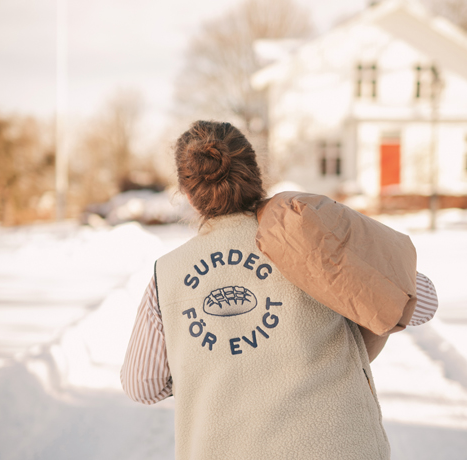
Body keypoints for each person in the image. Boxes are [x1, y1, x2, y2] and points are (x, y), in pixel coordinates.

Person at [121, 121, 438, 460]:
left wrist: (200, 366)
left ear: (187, 194)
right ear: (255, 175)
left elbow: (143, 386)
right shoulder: (309, 235)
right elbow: (422, 302)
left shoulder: (166, 275)